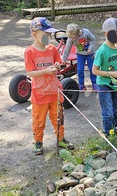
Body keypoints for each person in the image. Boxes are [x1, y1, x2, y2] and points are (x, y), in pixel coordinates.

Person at [24, 16, 73, 155]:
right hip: (39, 94)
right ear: (34, 34)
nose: (49, 37)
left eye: (50, 34)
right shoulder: (30, 52)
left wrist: (57, 66)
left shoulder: (52, 49)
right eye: (45, 34)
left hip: (55, 91)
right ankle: (38, 141)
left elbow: (59, 64)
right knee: (39, 120)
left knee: (58, 117)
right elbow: (30, 72)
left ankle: (61, 138)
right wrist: (45, 71)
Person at [92, 17, 117, 137]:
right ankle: (108, 132)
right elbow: (94, 71)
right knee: (108, 112)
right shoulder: (102, 51)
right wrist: (111, 74)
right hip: (104, 85)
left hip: (116, 84)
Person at [61, 23, 97, 91]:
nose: (72, 39)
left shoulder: (86, 32)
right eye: (71, 38)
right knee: (80, 70)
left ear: (78, 34)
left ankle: (94, 83)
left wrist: (90, 48)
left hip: (90, 54)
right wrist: (64, 59)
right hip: (80, 55)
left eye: (74, 38)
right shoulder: (71, 38)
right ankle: (81, 84)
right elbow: (67, 48)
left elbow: (93, 39)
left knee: (92, 68)